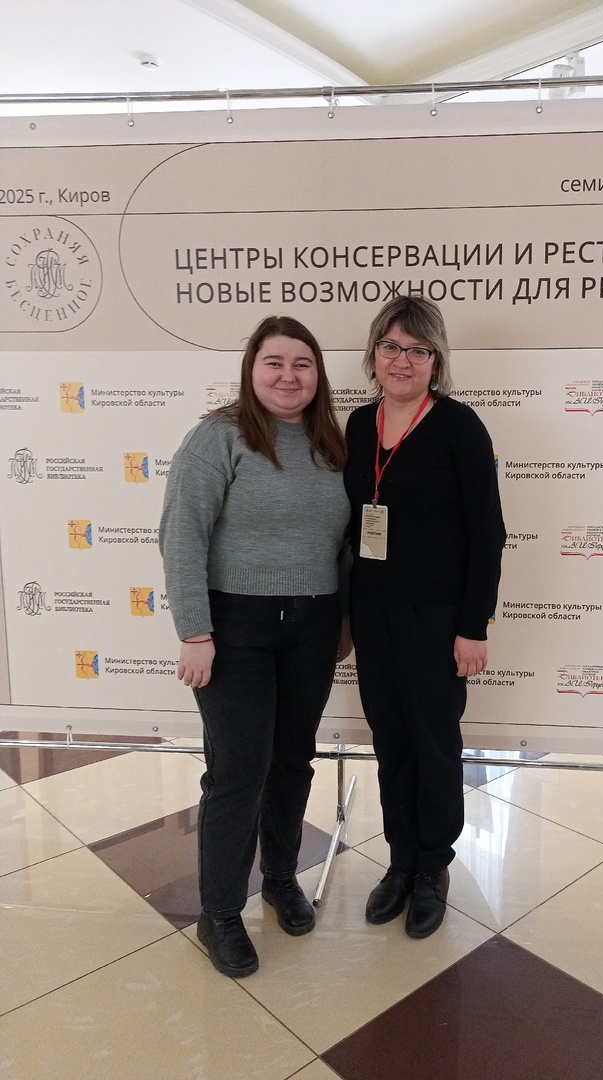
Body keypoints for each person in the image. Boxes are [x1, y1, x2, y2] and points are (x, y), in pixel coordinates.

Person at [159, 315, 351, 978]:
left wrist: (342, 625)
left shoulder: (332, 442)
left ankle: (280, 877)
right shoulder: (218, 437)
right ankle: (219, 913)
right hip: (234, 627)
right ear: (251, 369)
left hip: (312, 625)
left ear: (318, 373)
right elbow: (181, 534)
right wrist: (194, 632)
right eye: (274, 362)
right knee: (239, 770)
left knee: (293, 761)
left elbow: (345, 541)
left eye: (302, 363)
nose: (288, 376)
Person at [344, 295, 505, 939]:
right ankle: (401, 858)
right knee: (390, 738)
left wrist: (474, 626)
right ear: (373, 355)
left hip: (437, 619)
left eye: (417, 349)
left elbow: (487, 532)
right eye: (391, 346)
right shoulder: (359, 425)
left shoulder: (460, 426)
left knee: (433, 741)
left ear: (436, 360)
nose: (402, 360)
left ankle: (433, 865)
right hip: (373, 611)